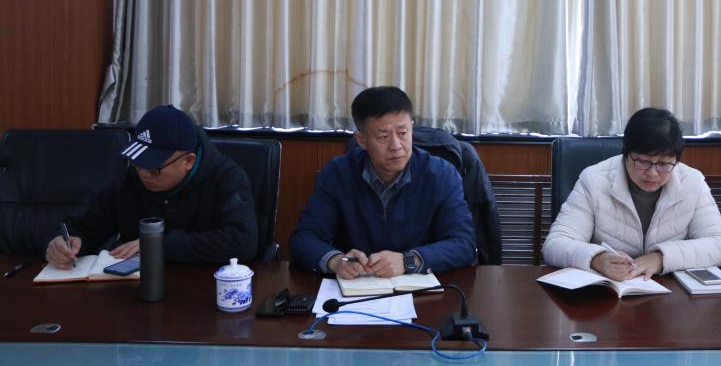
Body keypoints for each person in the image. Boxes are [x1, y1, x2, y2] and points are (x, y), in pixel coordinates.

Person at [289, 86, 476, 278]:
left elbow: (464, 244)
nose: (396, 146)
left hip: (419, 289)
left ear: (411, 128)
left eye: (403, 133)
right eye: (383, 137)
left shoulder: (441, 175)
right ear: (361, 140)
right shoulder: (338, 174)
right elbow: (304, 238)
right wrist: (337, 261)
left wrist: (409, 261)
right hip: (357, 286)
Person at [45, 105, 258, 268]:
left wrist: (157, 245)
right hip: (136, 289)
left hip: (202, 290)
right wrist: (64, 242)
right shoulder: (130, 180)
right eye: (138, 163)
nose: (144, 174)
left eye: (155, 168)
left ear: (188, 161)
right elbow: (85, 226)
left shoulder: (226, 178)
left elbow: (242, 242)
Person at [542, 107, 721, 280]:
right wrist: (597, 259)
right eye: (642, 161)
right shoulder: (593, 180)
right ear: (626, 153)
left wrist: (661, 258)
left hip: (670, 293)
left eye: (664, 164)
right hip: (609, 291)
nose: (653, 173)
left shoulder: (692, 182)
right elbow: (555, 245)